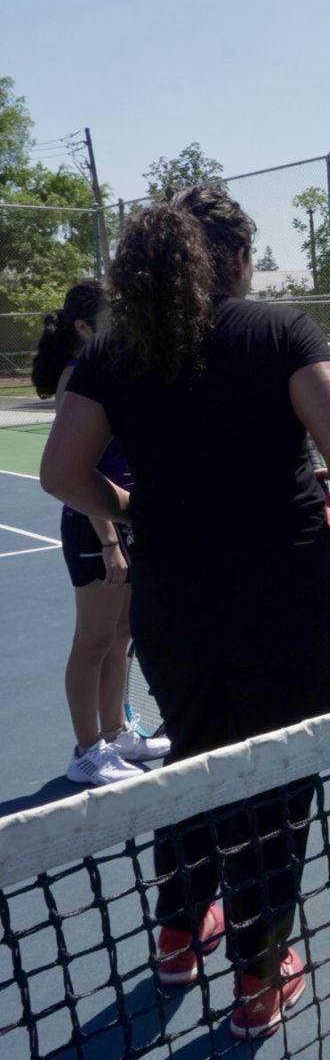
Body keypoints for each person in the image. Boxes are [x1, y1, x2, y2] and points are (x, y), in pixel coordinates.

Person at [39, 186, 330, 1040]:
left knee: (192, 758)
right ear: (232, 258)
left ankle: (180, 935)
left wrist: (129, 510)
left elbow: (61, 474)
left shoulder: (118, 348)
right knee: (277, 784)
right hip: (286, 594)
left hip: (173, 597)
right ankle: (260, 981)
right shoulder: (281, 330)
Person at [31, 281, 170, 786]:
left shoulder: (112, 368)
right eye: (116, 316)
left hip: (123, 518)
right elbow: (75, 470)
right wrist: (109, 541)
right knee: (92, 640)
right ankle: (86, 752)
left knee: (120, 632)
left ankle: (114, 733)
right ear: (85, 327)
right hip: (95, 525)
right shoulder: (77, 376)